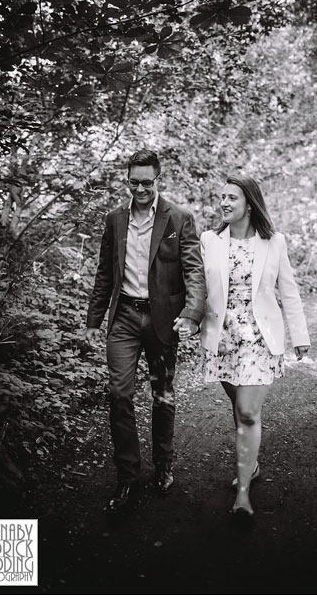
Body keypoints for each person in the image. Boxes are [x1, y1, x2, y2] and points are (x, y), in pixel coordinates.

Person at [86, 149, 205, 511]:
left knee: (163, 395)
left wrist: (192, 312)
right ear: (127, 180)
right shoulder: (114, 219)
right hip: (123, 317)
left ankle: (163, 464)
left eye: (147, 182)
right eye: (134, 182)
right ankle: (127, 473)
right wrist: (93, 320)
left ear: (158, 180)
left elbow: (193, 269)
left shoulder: (179, 218)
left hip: (162, 319)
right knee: (119, 394)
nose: (140, 188)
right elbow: (105, 271)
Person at [199, 175, 310, 520]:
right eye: (222, 198)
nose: (224, 203)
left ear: (249, 202)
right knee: (238, 406)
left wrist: (300, 335)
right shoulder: (210, 240)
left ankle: (243, 495)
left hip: (260, 338)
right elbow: (197, 286)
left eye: (232, 197)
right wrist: (188, 319)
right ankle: (253, 463)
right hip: (222, 337)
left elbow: (288, 291)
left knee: (248, 412)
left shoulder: (273, 242)